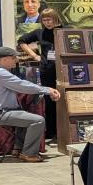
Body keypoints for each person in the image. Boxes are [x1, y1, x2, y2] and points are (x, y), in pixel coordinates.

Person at [0, 47, 61, 162]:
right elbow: (22, 85)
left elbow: (20, 85)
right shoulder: (0, 73)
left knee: (24, 115)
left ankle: (18, 149)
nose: (16, 60)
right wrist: (47, 90)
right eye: (13, 58)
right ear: (4, 60)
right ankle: (28, 154)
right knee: (38, 120)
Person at [17, 8, 63, 139]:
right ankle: (51, 132)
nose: (47, 22)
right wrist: (34, 55)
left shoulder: (64, 31)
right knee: (49, 101)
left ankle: (64, 130)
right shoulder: (40, 33)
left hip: (64, 71)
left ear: (56, 18)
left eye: (49, 19)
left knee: (64, 100)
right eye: (44, 20)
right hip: (47, 71)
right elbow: (21, 41)